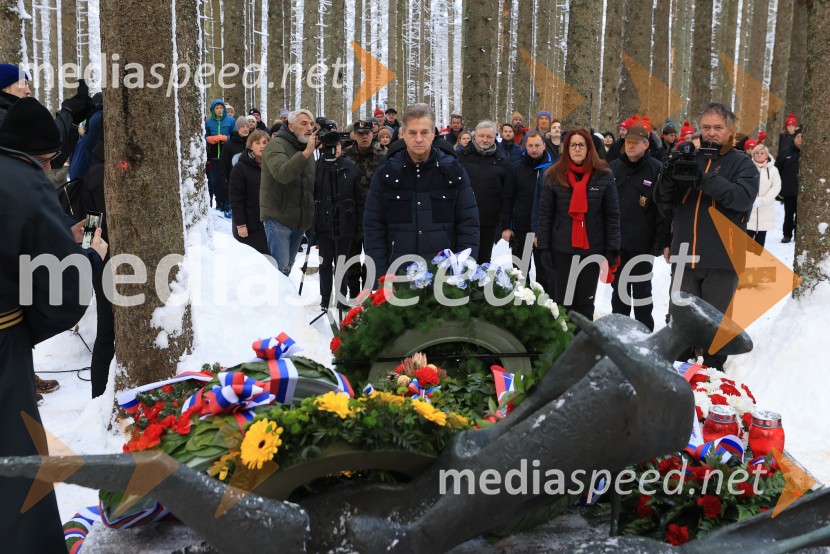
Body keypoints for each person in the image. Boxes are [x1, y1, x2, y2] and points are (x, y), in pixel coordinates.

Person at [0, 96, 107, 553]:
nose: (49, 169)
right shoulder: (26, 184)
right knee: (17, 464)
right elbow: (62, 287)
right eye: (47, 160)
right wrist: (89, 257)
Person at [656, 102, 759, 369]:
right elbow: (664, 204)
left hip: (722, 258)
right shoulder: (688, 158)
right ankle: (678, 374)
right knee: (680, 323)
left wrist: (702, 178)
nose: (711, 133)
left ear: (731, 130)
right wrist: (667, 176)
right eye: (706, 127)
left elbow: (741, 198)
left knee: (716, 327)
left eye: (718, 127)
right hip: (685, 256)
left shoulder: (743, 164)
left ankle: (713, 379)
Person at [363, 103, 479, 280]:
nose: (418, 139)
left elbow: (468, 225)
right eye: (412, 133)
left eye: (424, 132)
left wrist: (463, 271)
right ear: (403, 134)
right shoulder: (386, 173)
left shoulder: (453, 172)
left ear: (433, 134)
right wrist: (380, 276)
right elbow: (373, 228)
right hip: (398, 276)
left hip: (444, 277)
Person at [536, 129, 620, 320]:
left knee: (585, 303)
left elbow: (612, 215)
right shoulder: (554, 175)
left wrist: (612, 248)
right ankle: (563, 338)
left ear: (589, 148)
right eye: (572, 145)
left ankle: (583, 337)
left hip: (592, 250)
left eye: (581, 145)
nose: (577, 149)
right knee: (562, 302)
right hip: (561, 250)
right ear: (566, 149)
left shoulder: (604, 175)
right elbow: (545, 215)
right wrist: (544, 248)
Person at [609, 125, 667, 331]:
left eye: (635, 142)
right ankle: (619, 332)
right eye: (628, 142)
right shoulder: (614, 167)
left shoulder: (657, 169)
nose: (631, 146)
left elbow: (663, 209)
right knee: (619, 291)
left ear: (646, 145)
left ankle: (645, 333)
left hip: (642, 244)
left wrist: (660, 241)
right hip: (617, 243)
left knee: (641, 292)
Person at [260, 109, 317, 275]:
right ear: (291, 126)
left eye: (311, 124)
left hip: (299, 219)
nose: (309, 128)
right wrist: (306, 153)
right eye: (304, 123)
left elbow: (310, 183)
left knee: (287, 268)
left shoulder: (306, 148)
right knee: (280, 269)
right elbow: (283, 174)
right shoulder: (275, 145)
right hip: (278, 217)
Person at [315, 141, 363, 309]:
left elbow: (359, 199)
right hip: (323, 222)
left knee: (342, 262)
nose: (333, 149)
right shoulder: (316, 167)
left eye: (337, 146)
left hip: (345, 222)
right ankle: (325, 299)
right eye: (330, 145)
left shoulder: (350, 167)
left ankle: (341, 298)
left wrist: (358, 225)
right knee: (325, 263)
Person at [503, 131, 553, 289]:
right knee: (520, 271)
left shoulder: (553, 169)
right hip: (521, 227)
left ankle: (544, 301)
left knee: (545, 273)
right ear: (525, 146)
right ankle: (522, 301)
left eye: (537, 145)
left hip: (544, 228)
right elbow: (508, 197)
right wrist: (506, 226)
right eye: (530, 146)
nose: (534, 149)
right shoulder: (516, 167)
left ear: (544, 145)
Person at [458, 120, 513, 264]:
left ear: (495, 137)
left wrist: (504, 221)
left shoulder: (503, 161)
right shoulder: (461, 156)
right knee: (462, 262)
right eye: (481, 136)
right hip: (463, 219)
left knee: (483, 261)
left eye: (489, 137)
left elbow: (507, 194)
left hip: (489, 221)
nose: (485, 140)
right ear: (474, 136)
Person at [343, 120, 386, 297]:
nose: (364, 137)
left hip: (374, 215)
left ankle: (369, 294)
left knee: (371, 257)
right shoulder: (345, 155)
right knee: (352, 257)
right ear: (354, 135)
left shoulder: (381, 155)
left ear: (372, 134)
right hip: (351, 214)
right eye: (360, 134)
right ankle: (354, 294)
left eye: (367, 133)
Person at [230, 130, 271, 255]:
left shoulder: (273, 165)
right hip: (250, 225)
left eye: (265, 142)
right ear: (250, 146)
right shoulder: (240, 168)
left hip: (270, 222)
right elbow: (235, 198)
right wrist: (241, 224)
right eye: (257, 143)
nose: (262, 146)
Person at [747, 143, 782, 251]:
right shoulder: (747, 167)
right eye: (757, 153)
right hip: (750, 208)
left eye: (762, 153)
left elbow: (776, 186)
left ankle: (758, 258)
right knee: (747, 241)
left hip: (765, 209)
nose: (759, 155)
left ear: (766, 155)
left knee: (760, 241)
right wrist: (750, 198)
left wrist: (763, 200)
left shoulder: (773, 170)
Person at [218, 116, 251, 218]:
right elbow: (223, 165)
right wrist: (224, 184)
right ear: (237, 128)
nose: (245, 129)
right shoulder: (229, 145)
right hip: (232, 180)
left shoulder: (251, 144)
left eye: (247, 126)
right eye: (242, 127)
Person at [205, 99, 235, 210]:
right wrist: (209, 138)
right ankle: (218, 203)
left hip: (226, 155)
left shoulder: (230, 120)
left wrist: (226, 138)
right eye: (217, 108)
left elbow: (235, 135)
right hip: (213, 155)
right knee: (216, 181)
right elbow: (204, 135)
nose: (219, 110)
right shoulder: (208, 122)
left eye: (221, 108)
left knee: (227, 180)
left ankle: (227, 203)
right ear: (213, 109)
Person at [775, 126, 801, 243]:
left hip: (803, 191)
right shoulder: (785, 152)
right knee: (789, 214)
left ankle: (798, 235)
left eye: (802, 137)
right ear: (794, 138)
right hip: (789, 189)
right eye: (798, 137)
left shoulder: (809, 154)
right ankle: (787, 235)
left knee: (801, 215)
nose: (800, 139)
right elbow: (777, 170)